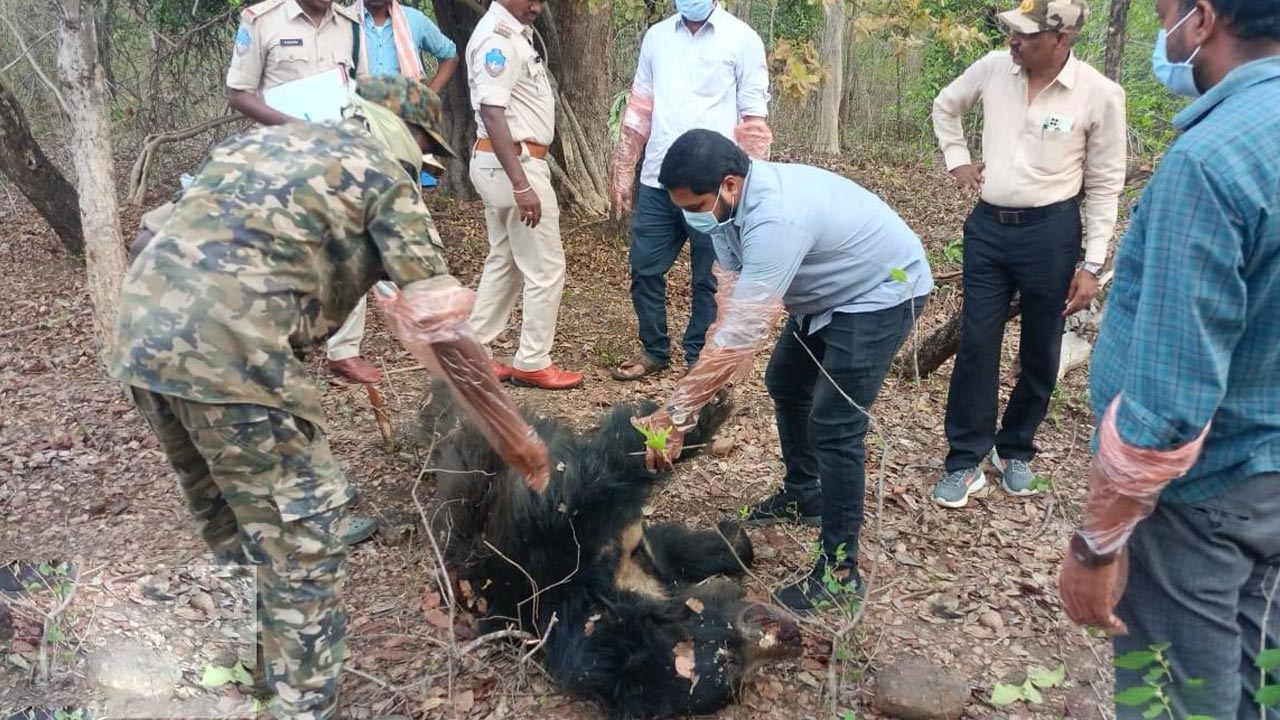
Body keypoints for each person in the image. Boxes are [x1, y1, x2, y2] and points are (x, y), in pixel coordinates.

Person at [110, 77, 549, 719]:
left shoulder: (256, 147)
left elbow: (151, 239)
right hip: (237, 360)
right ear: (413, 137)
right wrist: (516, 438)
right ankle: (303, 705)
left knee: (235, 524)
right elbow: (445, 330)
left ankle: (257, 675)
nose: (422, 175)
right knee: (306, 540)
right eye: (426, 159)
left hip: (142, 344)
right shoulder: (383, 176)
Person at [1056, 1, 1280, 716]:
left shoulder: (1214, 161)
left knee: (1169, 694)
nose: (1165, 34)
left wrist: (1099, 544)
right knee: (1261, 672)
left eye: (1164, 14)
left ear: (1203, 20)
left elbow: (1169, 401)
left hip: (1204, 501)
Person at [634, 130, 933, 612]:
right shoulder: (727, 212)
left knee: (836, 424)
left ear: (729, 184)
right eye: (682, 207)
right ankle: (804, 493)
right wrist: (690, 395)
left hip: (880, 292)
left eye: (698, 203)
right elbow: (730, 309)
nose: (691, 215)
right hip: (824, 296)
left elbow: (743, 333)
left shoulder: (775, 219)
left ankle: (839, 572)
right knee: (787, 382)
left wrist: (677, 412)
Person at [929, 0, 1127, 508]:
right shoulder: (995, 69)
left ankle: (1015, 448)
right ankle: (964, 458)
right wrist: (958, 161)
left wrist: (1092, 263)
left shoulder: (1100, 95)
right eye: (1012, 33)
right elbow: (945, 105)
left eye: (1026, 36)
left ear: (1060, 41)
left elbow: (1106, 184)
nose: (1013, 42)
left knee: (1042, 346)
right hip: (989, 229)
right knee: (977, 341)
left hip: (1052, 232)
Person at [608, 0, 772, 381]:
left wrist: (751, 189)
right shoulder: (657, 37)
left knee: (710, 277)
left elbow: (753, 120)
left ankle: (699, 356)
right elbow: (639, 109)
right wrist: (623, 166)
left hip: (715, 186)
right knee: (644, 267)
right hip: (658, 179)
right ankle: (653, 348)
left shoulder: (743, 39)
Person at [226, 0, 387, 385]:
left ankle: (345, 350)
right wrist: (295, 124)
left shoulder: (350, 24)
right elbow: (238, 92)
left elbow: (363, 88)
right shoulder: (261, 21)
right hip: (285, 161)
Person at [464, 0, 582, 390]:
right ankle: (532, 360)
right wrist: (521, 184)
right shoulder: (497, 40)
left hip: (505, 163)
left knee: (506, 259)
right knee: (545, 268)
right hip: (515, 164)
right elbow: (492, 112)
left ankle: (472, 352)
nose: (538, 6)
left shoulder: (515, 34)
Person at [353, 0, 459, 93]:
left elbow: (450, 56)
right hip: (355, 111)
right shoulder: (344, 21)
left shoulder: (415, 20)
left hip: (405, 112)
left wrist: (428, 97)